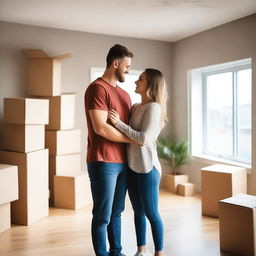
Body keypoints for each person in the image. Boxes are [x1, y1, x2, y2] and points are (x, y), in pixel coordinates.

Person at [108, 69, 167, 256]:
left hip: (148, 168)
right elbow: (131, 136)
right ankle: (141, 250)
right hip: (132, 167)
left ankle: (159, 253)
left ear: (150, 84)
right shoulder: (135, 107)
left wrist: (118, 123)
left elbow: (143, 139)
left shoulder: (154, 108)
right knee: (138, 212)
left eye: (140, 79)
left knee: (151, 212)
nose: (136, 82)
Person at [84, 44, 134, 256]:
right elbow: (101, 127)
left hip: (124, 161)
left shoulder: (124, 94)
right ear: (115, 63)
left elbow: (130, 128)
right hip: (103, 161)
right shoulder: (97, 88)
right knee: (102, 215)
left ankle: (117, 252)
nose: (128, 70)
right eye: (127, 66)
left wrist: (135, 140)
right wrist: (133, 140)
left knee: (117, 213)